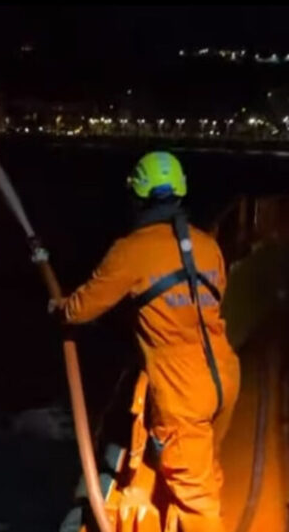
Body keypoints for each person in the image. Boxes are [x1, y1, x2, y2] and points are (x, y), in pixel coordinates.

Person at [53, 151, 241, 532]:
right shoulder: (208, 246)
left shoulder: (132, 250)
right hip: (225, 379)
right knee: (207, 472)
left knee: (197, 502)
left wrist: (57, 307)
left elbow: (80, 309)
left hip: (181, 393)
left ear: (137, 196)